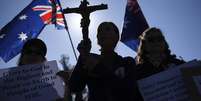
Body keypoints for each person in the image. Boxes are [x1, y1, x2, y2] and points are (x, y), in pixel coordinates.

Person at [69, 22, 136, 101]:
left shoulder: (127, 62)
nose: (102, 32)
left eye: (107, 29)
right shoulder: (90, 59)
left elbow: (128, 91)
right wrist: (83, 56)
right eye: (99, 31)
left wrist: (98, 68)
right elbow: (74, 86)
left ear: (117, 37)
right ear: (97, 39)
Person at [135, 27, 185, 100]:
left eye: (160, 39)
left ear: (164, 42)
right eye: (151, 40)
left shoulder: (180, 64)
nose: (156, 42)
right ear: (144, 45)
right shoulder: (136, 71)